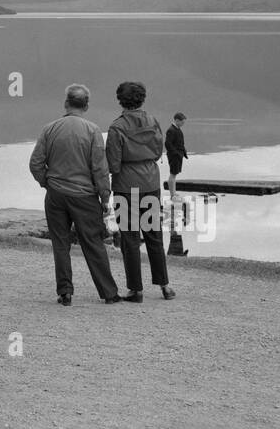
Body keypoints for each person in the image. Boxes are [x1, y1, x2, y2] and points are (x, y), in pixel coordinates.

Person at [29, 84, 121, 306]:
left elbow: (35, 163)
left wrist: (46, 183)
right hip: (84, 196)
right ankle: (109, 293)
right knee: (93, 243)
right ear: (86, 106)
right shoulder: (92, 131)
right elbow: (100, 169)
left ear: (66, 103)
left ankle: (65, 292)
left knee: (60, 243)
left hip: (56, 195)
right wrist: (105, 197)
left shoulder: (49, 129)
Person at [107, 81, 174, 301]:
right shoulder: (153, 121)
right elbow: (157, 153)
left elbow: (113, 164)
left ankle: (136, 289)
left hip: (126, 186)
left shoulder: (117, 127)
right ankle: (164, 285)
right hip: (151, 183)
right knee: (154, 235)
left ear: (120, 100)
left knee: (130, 238)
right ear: (142, 99)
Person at [165, 111, 190, 231]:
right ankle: (172, 194)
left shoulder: (178, 129)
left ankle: (174, 192)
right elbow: (168, 144)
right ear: (176, 120)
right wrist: (175, 153)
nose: (183, 124)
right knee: (173, 174)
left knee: (175, 174)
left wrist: (184, 153)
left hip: (179, 155)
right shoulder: (171, 130)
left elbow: (181, 142)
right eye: (182, 122)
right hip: (174, 156)